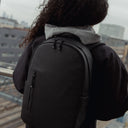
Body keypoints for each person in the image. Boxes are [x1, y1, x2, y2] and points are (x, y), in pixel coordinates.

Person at [13, 0, 128, 128]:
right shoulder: (106, 56)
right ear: (98, 15)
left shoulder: (38, 43)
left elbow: (20, 83)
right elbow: (113, 109)